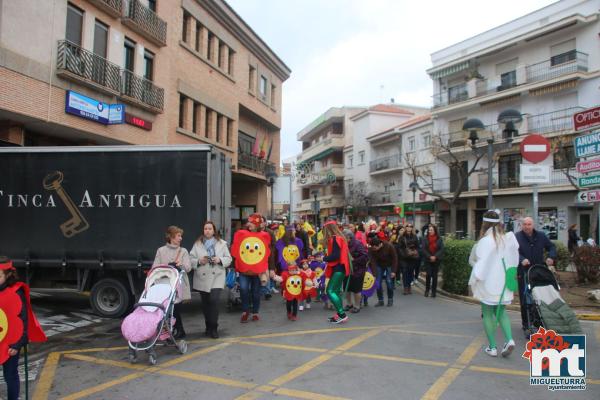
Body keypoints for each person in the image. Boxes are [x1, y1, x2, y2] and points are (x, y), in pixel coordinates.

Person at [468, 210, 519, 358]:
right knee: (502, 311)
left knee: (488, 313)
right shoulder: (507, 238)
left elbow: (481, 264)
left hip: (489, 283)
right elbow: (514, 260)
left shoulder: (485, 241)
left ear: (484, 223)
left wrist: (476, 278)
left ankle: (492, 347)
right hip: (505, 282)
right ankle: (509, 340)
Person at [0, 257, 47, 400]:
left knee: (10, 375)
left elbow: (22, 322)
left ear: (8, 274)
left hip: (11, 341)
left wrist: (17, 344)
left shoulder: (16, 293)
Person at [189, 221, 232, 339]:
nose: (207, 230)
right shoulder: (197, 244)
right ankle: (208, 326)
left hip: (217, 275)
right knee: (206, 303)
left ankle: (214, 327)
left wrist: (220, 260)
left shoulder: (222, 244)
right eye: (205, 229)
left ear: (214, 231)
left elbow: (229, 259)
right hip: (202, 276)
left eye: (209, 228)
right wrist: (199, 261)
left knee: (214, 301)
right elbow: (190, 258)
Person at [515, 216, 557, 336]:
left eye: (529, 224)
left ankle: (539, 322)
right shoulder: (517, 237)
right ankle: (526, 324)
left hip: (538, 271)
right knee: (525, 299)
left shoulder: (541, 235)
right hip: (523, 271)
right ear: (521, 225)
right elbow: (513, 252)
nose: (527, 227)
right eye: (525, 224)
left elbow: (551, 247)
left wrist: (551, 257)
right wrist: (521, 259)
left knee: (539, 297)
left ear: (533, 225)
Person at [232, 213, 272, 323]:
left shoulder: (264, 235)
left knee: (256, 292)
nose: (249, 224)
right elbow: (236, 249)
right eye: (249, 222)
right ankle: (245, 311)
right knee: (244, 290)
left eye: (252, 222)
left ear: (258, 224)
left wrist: (269, 268)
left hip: (257, 271)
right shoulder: (241, 234)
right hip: (244, 270)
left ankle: (255, 312)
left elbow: (267, 253)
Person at [153, 226, 191, 339]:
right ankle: (174, 331)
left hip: (178, 285)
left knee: (175, 309)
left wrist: (180, 265)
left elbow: (188, 268)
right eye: (178, 236)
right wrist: (167, 267)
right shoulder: (161, 250)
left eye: (181, 236)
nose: (181, 238)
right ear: (171, 237)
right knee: (167, 310)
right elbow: (155, 268)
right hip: (164, 285)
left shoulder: (183, 251)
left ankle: (178, 330)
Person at [318, 220, 351, 323]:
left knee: (330, 291)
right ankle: (339, 314)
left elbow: (335, 256)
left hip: (338, 268)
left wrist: (323, 259)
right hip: (339, 268)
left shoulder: (335, 239)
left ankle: (342, 314)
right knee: (336, 291)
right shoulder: (339, 238)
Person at [343, 229, 369, 313]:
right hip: (347, 270)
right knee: (347, 289)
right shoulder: (344, 244)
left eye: (344, 238)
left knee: (356, 290)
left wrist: (354, 260)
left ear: (349, 237)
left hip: (358, 270)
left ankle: (357, 306)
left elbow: (365, 256)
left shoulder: (358, 244)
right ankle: (349, 304)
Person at [368, 236, 398, 306]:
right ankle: (380, 300)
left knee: (389, 281)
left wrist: (393, 271)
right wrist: (374, 274)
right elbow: (373, 262)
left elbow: (395, 258)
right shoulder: (371, 249)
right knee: (378, 282)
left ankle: (390, 299)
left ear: (380, 244)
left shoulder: (389, 246)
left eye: (376, 247)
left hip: (389, 265)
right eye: (373, 248)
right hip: (379, 265)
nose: (374, 249)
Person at [422, 224, 444, 298]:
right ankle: (427, 290)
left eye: (431, 230)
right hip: (428, 259)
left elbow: (441, 249)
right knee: (428, 275)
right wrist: (430, 256)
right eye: (429, 230)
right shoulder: (425, 238)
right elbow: (424, 249)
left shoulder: (439, 239)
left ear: (435, 231)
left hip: (436, 259)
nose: (430, 231)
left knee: (435, 276)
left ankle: (433, 292)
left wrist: (435, 256)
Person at [398, 223, 420, 295]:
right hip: (404, 258)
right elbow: (400, 248)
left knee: (410, 272)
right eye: (407, 226)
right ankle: (405, 288)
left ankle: (409, 286)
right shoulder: (402, 237)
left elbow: (417, 246)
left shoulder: (415, 236)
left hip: (412, 258)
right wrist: (404, 254)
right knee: (405, 272)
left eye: (411, 226)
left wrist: (415, 251)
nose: (409, 227)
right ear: (405, 228)